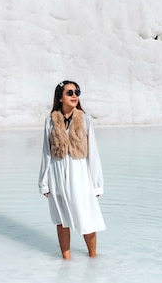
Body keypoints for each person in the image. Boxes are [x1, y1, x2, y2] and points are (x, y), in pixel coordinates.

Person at [38, 80, 106, 259]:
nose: (75, 95)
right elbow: (46, 153)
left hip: (80, 174)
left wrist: (97, 184)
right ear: (60, 97)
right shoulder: (50, 121)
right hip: (57, 174)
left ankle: (93, 259)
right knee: (61, 220)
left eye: (77, 92)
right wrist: (44, 183)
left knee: (87, 217)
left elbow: (94, 153)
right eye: (69, 92)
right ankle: (65, 262)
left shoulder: (85, 120)